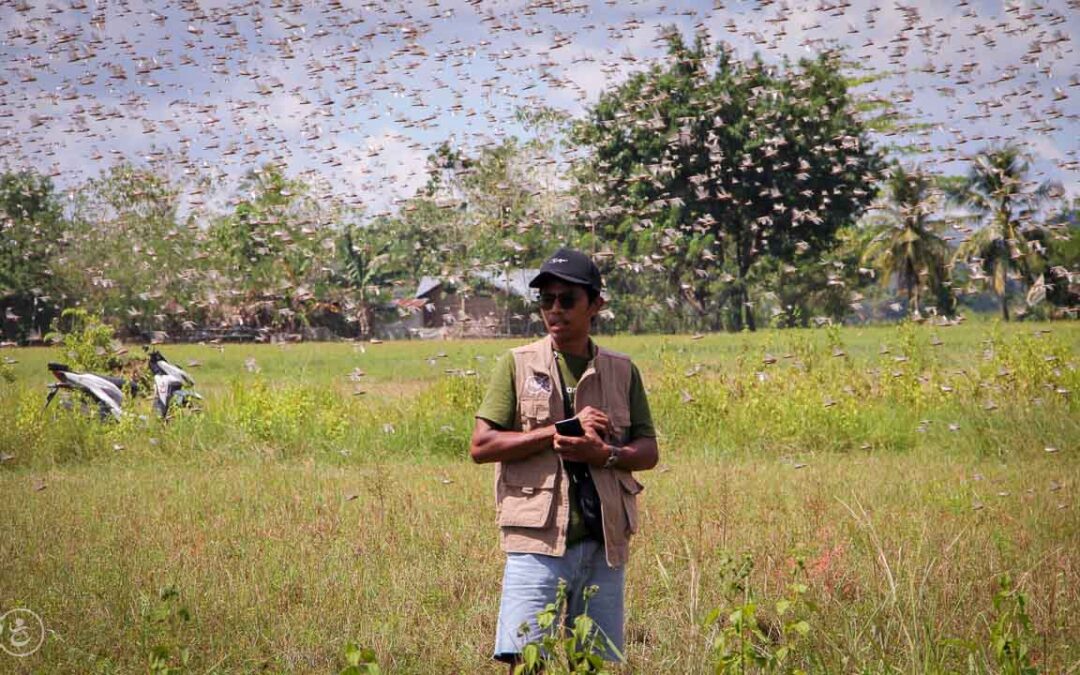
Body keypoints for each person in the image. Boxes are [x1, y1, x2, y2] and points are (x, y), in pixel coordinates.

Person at [470, 247, 659, 671]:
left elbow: (648, 451)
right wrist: (556, 431)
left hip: (603, 541)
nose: (554, 310)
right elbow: (481, 446)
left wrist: (605, 454)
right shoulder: (517, 365)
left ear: (595, 305)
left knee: (592, 663)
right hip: (536, 540)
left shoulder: (622, 370)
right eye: (545, 300)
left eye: (567, 299)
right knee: (526, 661)